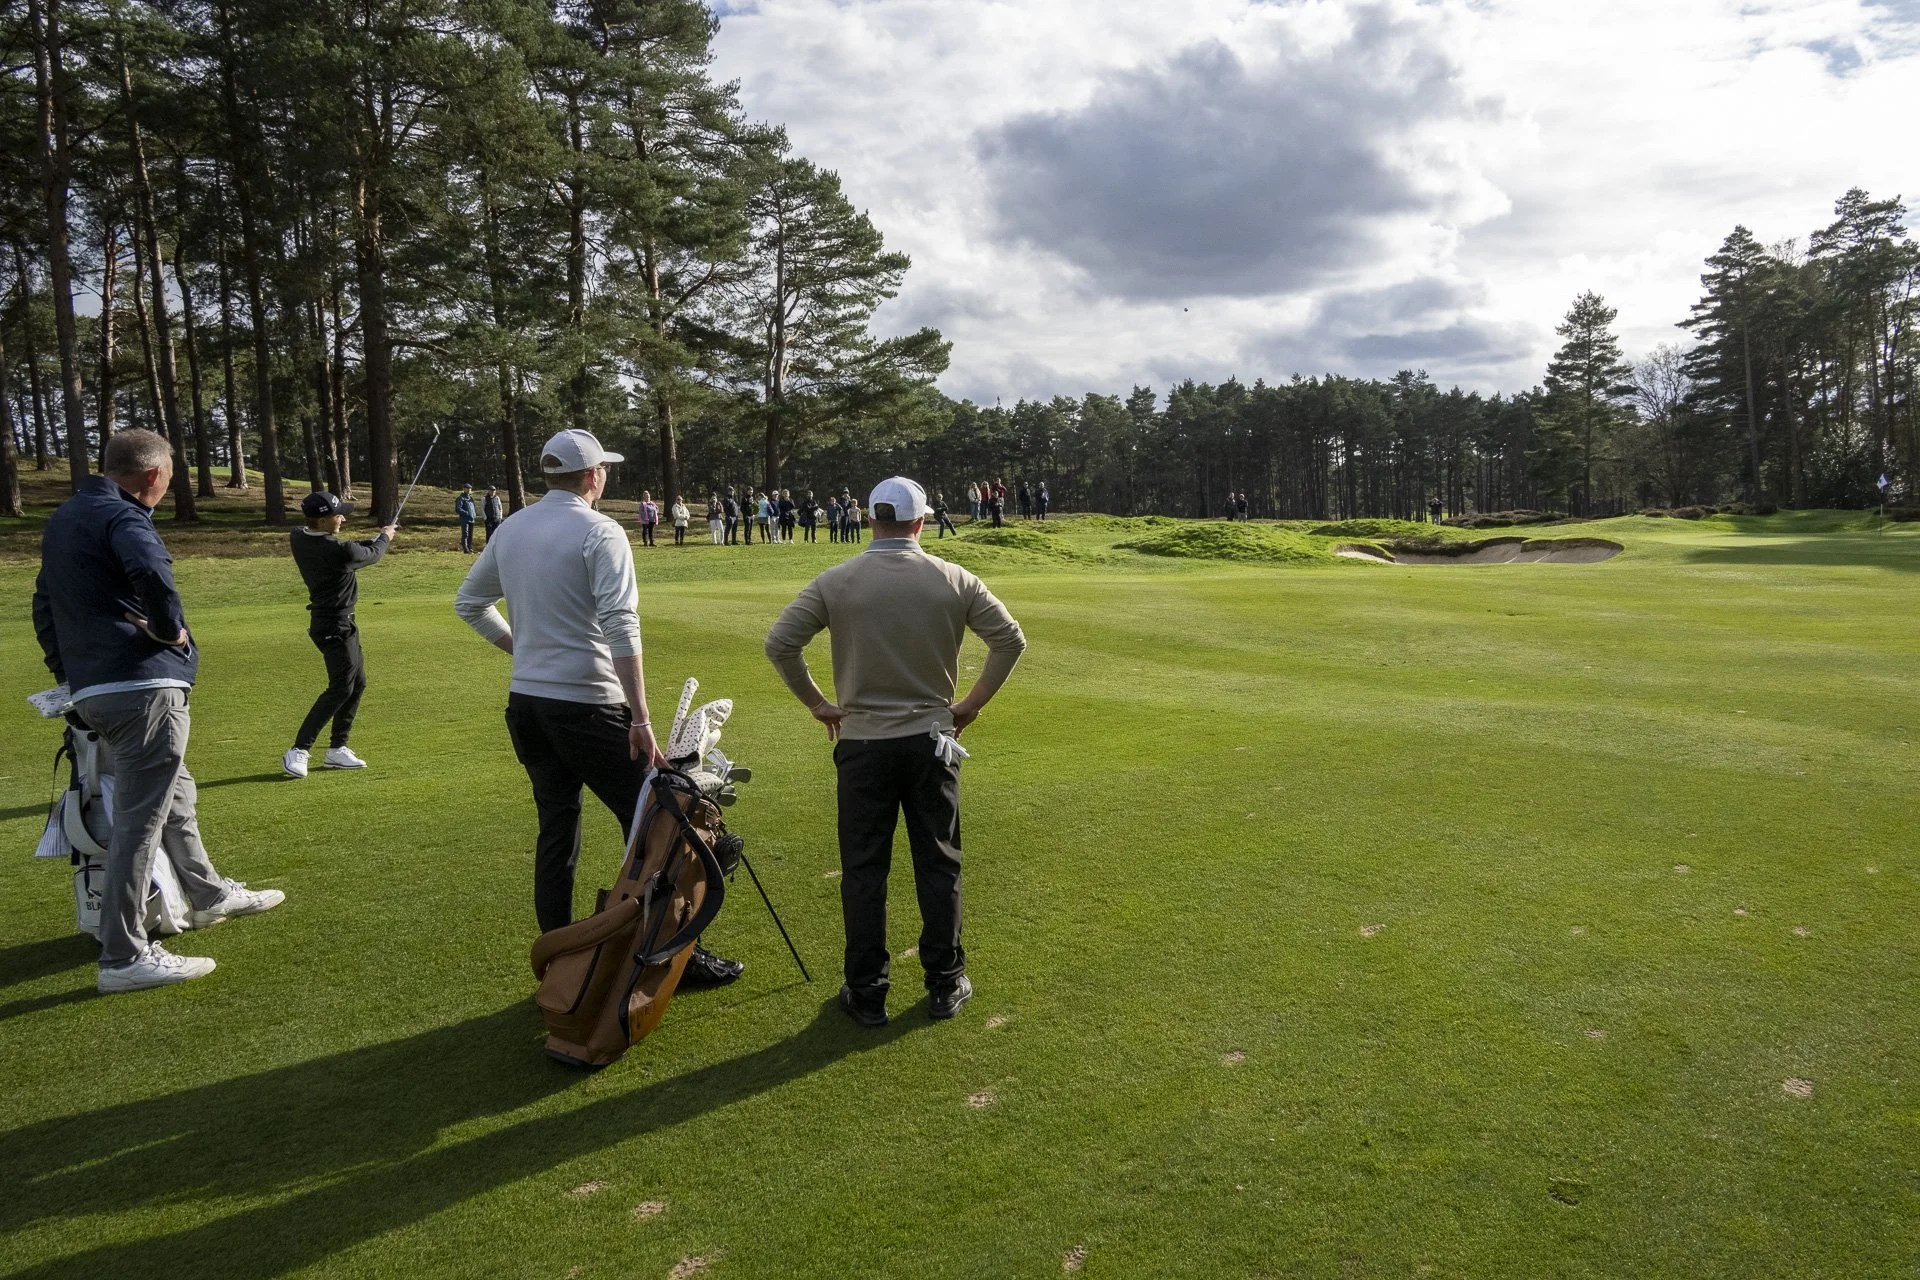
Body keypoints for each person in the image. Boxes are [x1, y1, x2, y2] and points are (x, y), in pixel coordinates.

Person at [454, 428, 741, 984]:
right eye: (603, 468)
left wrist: (525, 648)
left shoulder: (512, 527)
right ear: (592, 475)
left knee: (557, 831)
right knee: (662, 829)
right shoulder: (600, 530)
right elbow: (620, 624)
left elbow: (470, 603)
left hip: (529, 706)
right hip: (591, 708)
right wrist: (641, 718)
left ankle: (559, 960)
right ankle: (674, 953)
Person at [764, 476, 1026, 1026]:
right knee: (938, 863)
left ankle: (866, 992)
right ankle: (944, 981)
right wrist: (971, 705)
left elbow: (781, 644)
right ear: (921, 521)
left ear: (868, 519)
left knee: (864, 872)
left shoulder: (837, 580)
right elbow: (1009, 640)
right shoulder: (953, 578)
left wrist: (818, 704)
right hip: (932, 742)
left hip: (862, 744)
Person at [32, 428, 285, 994]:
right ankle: (124, 956)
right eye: (168, 477)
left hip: (97, 689)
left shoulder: (68, 517)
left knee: (177, 793)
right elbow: (152, 574)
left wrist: (68, 675)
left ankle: (207, 893)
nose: (168, 487)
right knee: (140, 821)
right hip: (142, 687)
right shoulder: (125, 518)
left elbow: (43, 602)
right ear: (153, 475)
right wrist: (171, 631)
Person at [283, 489, 396, 778]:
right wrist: (385, 535)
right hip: (334, 626)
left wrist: (373, 539)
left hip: (338, 623)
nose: (343, 518)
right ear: (322, 521)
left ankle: (337, 749)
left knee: (357, 683)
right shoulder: (339, 552)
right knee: (341, 687)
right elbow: (372, 554)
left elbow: (355, 548)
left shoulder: (299, 536)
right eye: (338, 514)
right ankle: (299, 750)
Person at [455, 484, 478, 552]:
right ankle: (465, 549)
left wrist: (474, 514)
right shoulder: (461, 498)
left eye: (470, 489)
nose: (469, 490)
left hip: (471, 519)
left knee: (470, 535)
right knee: (465, 534)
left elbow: (473, 507)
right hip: (465, 519)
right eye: (467, 488)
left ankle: (469, 547)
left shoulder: (471, 498)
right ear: (464, 489)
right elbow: (458, 509)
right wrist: (466, 513)